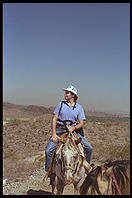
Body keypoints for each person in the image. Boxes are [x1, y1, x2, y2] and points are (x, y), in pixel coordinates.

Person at [45, 85, 93, 174]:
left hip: (73, 131)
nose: (65, 94)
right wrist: (54, 134)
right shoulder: (61, 104)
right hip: (60, 131)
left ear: (73, 95)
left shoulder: (79, 108)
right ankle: (49, 171)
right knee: (48, 151)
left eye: (67, 92)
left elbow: (82, 122)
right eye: (65, 92)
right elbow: (54, 119)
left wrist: (74, 128)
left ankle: (87, 169)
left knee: (89, 148)